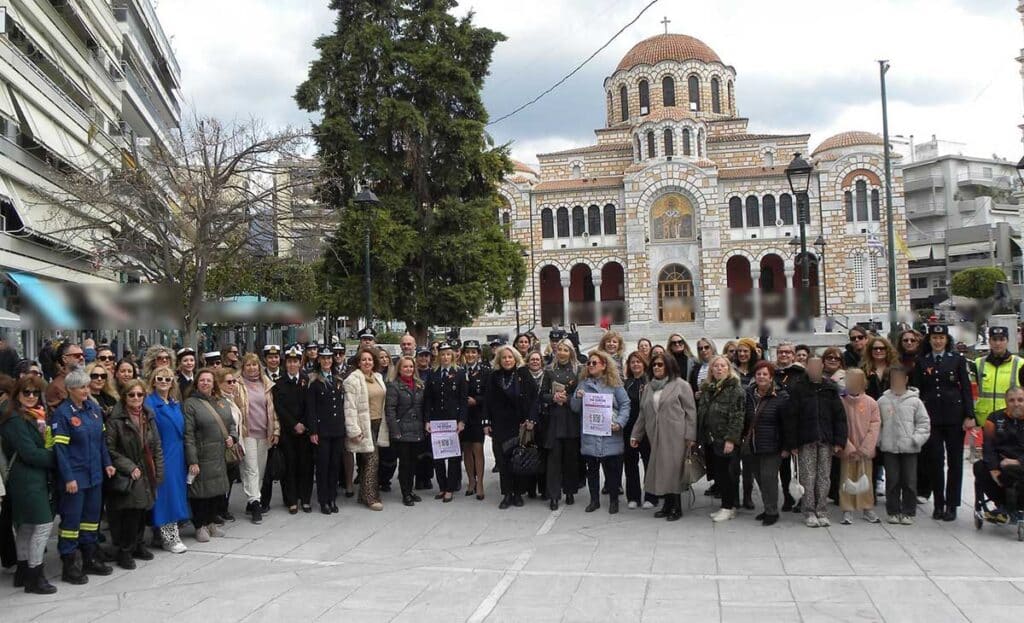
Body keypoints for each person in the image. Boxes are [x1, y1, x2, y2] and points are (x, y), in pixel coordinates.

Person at [52, 368, 115, 583]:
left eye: (87, 386)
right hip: (75, 477)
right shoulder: (62, 414)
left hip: (95, 474)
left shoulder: (93, 409)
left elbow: (101, 441)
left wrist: (107, 464)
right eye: (82, 387)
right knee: (71, 522)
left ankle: (89, 558)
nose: (86, 390)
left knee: (90, 520)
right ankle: (69, 564)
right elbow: (59, 451)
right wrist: (68, 478)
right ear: (70, 389)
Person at [0, 376, 57, 594]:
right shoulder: (15, 419)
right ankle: (35, 576)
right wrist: (56, 457)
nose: (32, 396)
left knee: (26, 527)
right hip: (27, 479)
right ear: (17, 395)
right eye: (26, 392)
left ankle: (23, 571)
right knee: (42, 525)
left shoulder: (34, 416)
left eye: (35, 392)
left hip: (31, 478)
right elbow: (30, 453)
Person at [913, 323, 974, 521]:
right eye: (934, 338)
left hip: (954, 417)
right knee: (935, 461)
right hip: (932, 418)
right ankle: (938, 503)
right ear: (929, 340)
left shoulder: (956, 359)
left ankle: (952, 504)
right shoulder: (922, 361)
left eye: (941, 338)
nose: (938, 341)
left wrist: (969, 415)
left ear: (947, 340)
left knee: (955, 462)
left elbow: (965, 388)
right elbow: (918, 390)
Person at [104, 380, 165, 569]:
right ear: (125, 396)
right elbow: (110, 449)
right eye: (132, 395)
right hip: (130, 472)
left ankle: (138, 545)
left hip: (147, 469)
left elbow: (156, 445)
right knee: (130, 513)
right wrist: (129, 466)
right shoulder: (116, 419)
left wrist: (159, 469)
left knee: (142, 510)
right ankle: (125, 551)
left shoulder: (148, 416)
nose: (136, 398)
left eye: (140, 395)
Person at [631, 352, 697, 521]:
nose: (656, 368)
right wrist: (636, 435)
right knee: (662, 471)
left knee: (674, 470)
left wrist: (690, 436)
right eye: (654, 365)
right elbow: (643, 413)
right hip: (655, 435)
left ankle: (677, 507)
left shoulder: (681, 385)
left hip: (676, 435)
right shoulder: (648, 387)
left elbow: (691, 412)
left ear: (669, 366)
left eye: (660, 364)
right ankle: (667, 505)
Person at [790, 357, 847, 528]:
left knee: (824, 477)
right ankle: (809, 511)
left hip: (826, 439)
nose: (814, 369)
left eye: (817, 366)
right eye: (811, 366)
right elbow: (791, 417)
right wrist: (792, 443)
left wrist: (839, 440)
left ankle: (821, 510)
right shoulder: (798, 387)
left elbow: (840, 417)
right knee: (808, 477)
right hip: (806, 439)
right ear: (807, 367)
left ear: (822, 367)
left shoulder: (830, 388)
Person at [572, 350, 630, 514]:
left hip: (610, 435)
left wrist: (619, 422)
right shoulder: (583, 384)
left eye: (594, 363)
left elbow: (625, 404)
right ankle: (594, 500)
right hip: (591, 435)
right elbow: (574, 408)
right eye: (589, 363)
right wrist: (577, 396)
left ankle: (613, 501)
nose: (590, 365)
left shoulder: (614, 384)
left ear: (604, 365)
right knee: (592, 471)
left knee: (612, 471)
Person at [183, 369, 236, 542]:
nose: (205, 383)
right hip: (202, 455)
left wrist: (232, 437)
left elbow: (231, 424)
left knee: (217, 492)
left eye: (209, 380)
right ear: (197, 383)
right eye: (202, 380)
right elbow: (188, 435)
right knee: (200, 494)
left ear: (214, 384)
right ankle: (200, 526)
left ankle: (211, 522)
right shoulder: (190, 404)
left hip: (219, 455)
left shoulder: (221, 402)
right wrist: (192, 460)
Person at [483, 345, 538, 509]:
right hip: (499, 425)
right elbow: (487, 400)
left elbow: (535, 398)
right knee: (502, 461)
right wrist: (486, 422)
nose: (507, 360)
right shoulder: (494, 376)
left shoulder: (523, 374)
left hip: (519, 425)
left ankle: (518, 494)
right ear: (499, 360)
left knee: (518, 460)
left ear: (515, 359)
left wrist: (531, 419)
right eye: (504, 357)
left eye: (510, 357)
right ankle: (507, 494)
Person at [877, 365, 930, 525]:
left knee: (909, 481)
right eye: (893, 379)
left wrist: (916, 439)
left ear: (906, 380)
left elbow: (924, 423)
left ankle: (908, 511)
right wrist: (880, 440)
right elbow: (877, 424)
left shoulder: (915, 401)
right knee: (892, 481)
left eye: (900, 379)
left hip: (910, 448)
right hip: (889, 447)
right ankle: (893, 511)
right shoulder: (882, 400)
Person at [742, 361, 794, 526]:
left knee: (769, 478)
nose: (761, 377)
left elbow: (788, 424)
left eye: (765, 374)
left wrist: (787, 447)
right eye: (758, 374)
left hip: (773, 445)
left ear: (771, 377)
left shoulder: (781, 397)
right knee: (759, 478)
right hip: (754, 445)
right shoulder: (748, 395)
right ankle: (767, 508)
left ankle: (772, 512)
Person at [145, 365, 190, 552]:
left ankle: (165, 533)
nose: (164, 382)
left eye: (168, 379)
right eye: (159, 378)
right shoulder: (149, 403)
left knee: (177, 493)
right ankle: (169, 537)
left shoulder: (174, 402)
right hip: (163, 453)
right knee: (166, 495)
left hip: (178, 454)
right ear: (153, 381)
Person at [698, 355, 745, 522]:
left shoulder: (735, 389)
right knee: (719, 475)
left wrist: (731, 439)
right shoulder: (708, 388)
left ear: (728, 368)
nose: (719, 368)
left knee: (728, 475)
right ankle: (727, 506)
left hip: (726, 440)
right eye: (715, 366)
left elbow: (738, 416)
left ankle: (728, 507)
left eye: (722, 366)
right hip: (711, 440)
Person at [344, 347, 390, 511]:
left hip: (379, 423)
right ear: (358, 362)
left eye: (370, 359)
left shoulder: (378, 377)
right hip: (364, 425)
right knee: (372, 460)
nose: (367, 362)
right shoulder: (352, 380)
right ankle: (371, 497)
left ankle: (363, 494)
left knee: (366, 461)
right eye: (363, 359)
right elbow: (349, 408)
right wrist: (354, 430)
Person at [270, 346, 313, 514]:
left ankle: (306, 499)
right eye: (289, 361)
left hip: (305, 431)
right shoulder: (279, 384)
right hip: (288, 432)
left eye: (295, 361)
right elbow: (279, 408)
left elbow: (310, 406)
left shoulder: (306, 381)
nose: (292, 365)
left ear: (300, 363)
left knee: (306, 466)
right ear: (285, 363)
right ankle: (291, 499)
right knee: (289, 466)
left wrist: (303, 424)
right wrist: (294, 424)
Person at [237, 353, 280, 523]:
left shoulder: (267, 385)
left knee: (260, 471)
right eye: (248, 365)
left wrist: (276, 431)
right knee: (251, 469)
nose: (252, 368)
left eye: (255, 365)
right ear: (243, 367)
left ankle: (252, 499)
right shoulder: (238, 384)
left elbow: (273, 411)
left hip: (264, 434)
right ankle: (255, 504)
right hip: (247, 433)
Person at [541, 339, 582, 510]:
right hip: (555, 419)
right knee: (554, 459)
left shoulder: (578, 370)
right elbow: (543, 394)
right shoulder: (549, 370)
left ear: (571, 352)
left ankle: (570, 490)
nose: (563, 352)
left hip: (571, 418)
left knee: (571, 458)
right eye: (560, 349)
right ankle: (554, 495)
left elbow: (581, 392)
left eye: (566, 349)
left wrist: (569, 398)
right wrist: (553, 398)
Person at [974, 387, 1024, 519]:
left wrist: (1018, 461)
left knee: (1011, 471)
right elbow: (988, 446)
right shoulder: (994, 418)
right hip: (1000, 464)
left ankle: (1014, 507)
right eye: (1012, 400)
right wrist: (993, 468)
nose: (1016, 404)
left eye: (1020, 400)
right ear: (1006, 402)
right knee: (979, 466)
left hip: (1020, 465)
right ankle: (1003, 506)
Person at [306, 345, 346, 514]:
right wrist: (313, 431)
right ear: (319, 360)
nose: (327, 361)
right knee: (323, 466)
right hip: (322, 430)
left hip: (337, 429)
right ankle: (323, 500)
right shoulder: (313, 380)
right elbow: (311, 409)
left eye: (329, 358)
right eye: (323, 358)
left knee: (335, 465)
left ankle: (332, 498)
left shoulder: (337, 379)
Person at [839, 369, 881, 525]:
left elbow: (875, 425)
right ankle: (847, 509)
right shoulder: (841, 401)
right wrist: (848, 447)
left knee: (866, 478)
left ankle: (867, 507)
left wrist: (865, 448)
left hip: (865, 451)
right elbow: (839, 425)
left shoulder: (871, 402)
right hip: (847, 449)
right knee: (846, 478)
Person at [386, 356, 426, 506]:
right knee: (405, 463)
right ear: (399, 369)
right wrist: (395, 431)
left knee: (414, 462)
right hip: (402, 431)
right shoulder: (394, 386)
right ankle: (405, 493)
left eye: (411, 367)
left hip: (416, 429)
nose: (408, 369)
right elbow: (390, 411)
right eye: (405, 367)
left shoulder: (419, 385)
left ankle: (410, 490)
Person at [773, 342, 805, 512]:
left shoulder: (801, 374)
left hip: (797, 425)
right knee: (783, 466)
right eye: (780, 352)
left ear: (793, 355)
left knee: (800, 466)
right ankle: (787, 497)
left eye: (787, 352)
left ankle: (800, 498)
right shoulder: (773, 373)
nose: (783, 355)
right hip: (778, 426)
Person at [974, 325, 1024, 427]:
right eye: (994, 339)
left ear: (1007, 341)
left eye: (1002, 339)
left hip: (1011, 421)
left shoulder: (1020, 363)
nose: (998, 343)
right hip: (985, 421)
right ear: (989, 341)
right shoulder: (978, 363)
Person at [461, 340, 488, 499]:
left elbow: (489, 395)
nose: (470, 355)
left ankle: (480, 483)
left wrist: (476, 401)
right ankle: (471, 480)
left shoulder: (485, 371)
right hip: (463, 416)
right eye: (468, 352)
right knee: (466, 449)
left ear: (478, 354)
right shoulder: (458, 370)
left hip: (478, 414)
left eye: (473, 352)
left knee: (478, 449)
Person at [45, 341, 84, 409]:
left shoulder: (84, 380)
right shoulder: (57, 386)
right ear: (65, 359)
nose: (81, 358)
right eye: (77, 355)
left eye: (83, 355)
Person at [864, 336, 896, 401]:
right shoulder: (863, 370)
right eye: (875, 348)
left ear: (887, 350)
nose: (878, 351)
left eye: (882, 348)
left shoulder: (896, 368)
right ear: (870, 350)